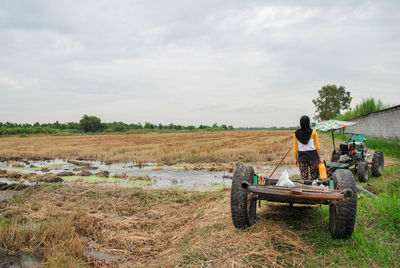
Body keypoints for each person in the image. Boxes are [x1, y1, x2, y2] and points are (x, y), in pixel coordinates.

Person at [293, 115, 323, 181]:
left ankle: (306, 189)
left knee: (304, 178)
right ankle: (314, 189)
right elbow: (317, 146)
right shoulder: (313, 132)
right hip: (313, 157)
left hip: (302, 157)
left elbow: (296, 148)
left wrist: (296, 158)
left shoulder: (296, 133)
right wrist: (320, 158)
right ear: (308, 123)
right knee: (314, 177)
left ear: (300, 123)